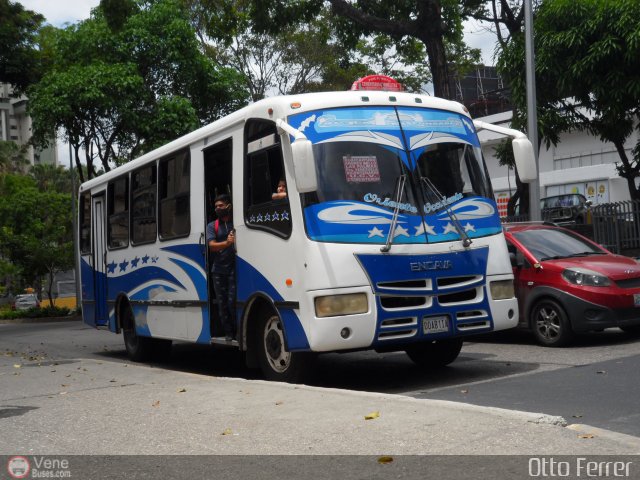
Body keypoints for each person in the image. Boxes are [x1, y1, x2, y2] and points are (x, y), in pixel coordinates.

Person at [206, 194, 236, 341]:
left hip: (233, 270)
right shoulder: (212, 226)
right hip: (218, 271)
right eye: (216, 206)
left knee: (232, 302)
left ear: (228, 206)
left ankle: (236, 331)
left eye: (221, 206)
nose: (218, 208)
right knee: (222, 304)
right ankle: (229, 333)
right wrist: (227, 243)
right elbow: (211, 246)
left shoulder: (236, 222)